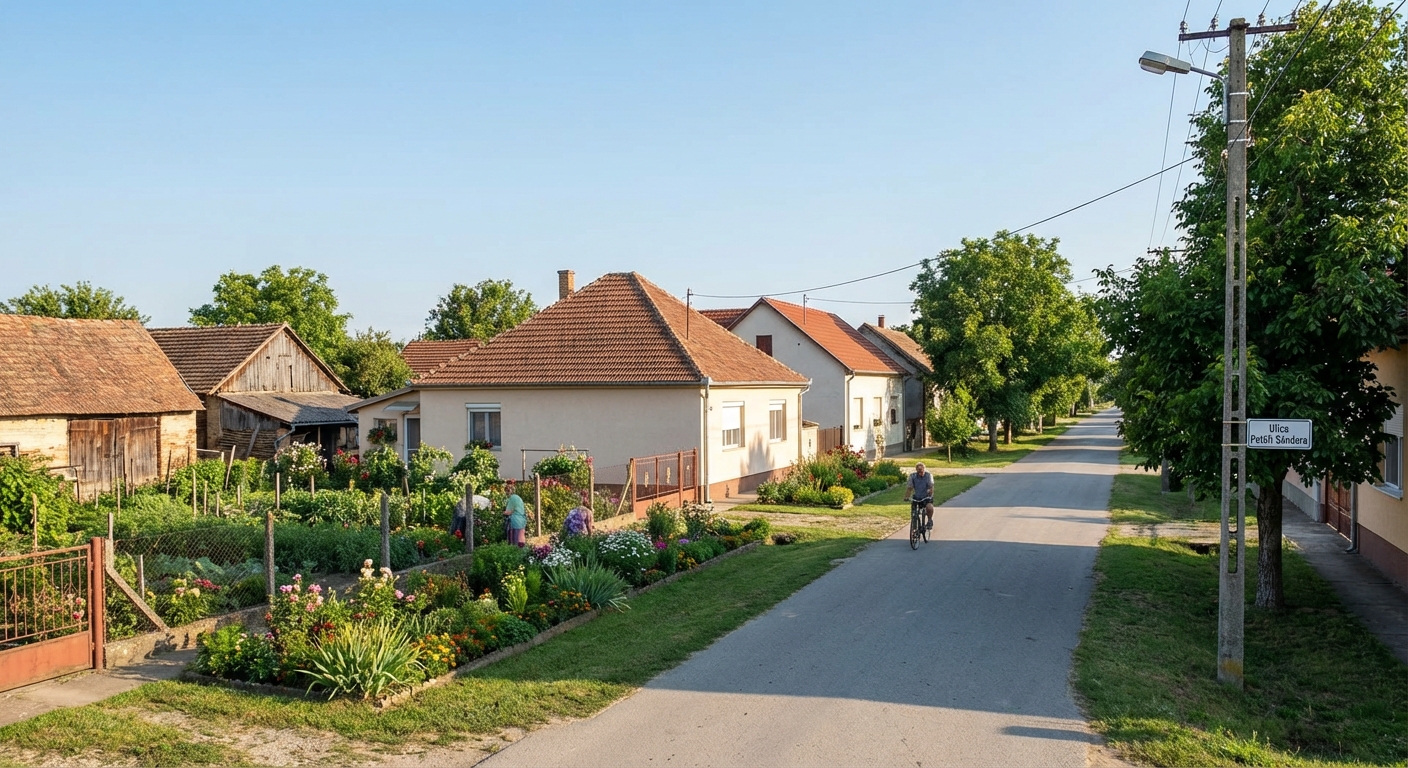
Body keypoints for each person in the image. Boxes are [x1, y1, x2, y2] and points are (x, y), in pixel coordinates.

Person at [903, 462, 935, 531]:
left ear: (924, 469)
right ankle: (914, 525)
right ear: (916, 470)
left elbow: (931, 486)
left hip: (926, 496)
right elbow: (909, 488)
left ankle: (929, 520)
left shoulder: (928, 475)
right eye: (918, 470)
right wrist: (906, 496)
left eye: (921, 470)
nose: (920, 472)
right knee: (914, 511)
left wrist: (930, 493)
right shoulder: (913, 476)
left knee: (929, 507)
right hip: (917, 496)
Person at [504, 480, 528, 547]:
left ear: (508, 491)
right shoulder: (518, 498)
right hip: (522, 521)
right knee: (521, 542)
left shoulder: (512, 498)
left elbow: (508, 512)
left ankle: (515, 551)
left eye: (506, 492)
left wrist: (502, 512)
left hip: (515, 522)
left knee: (514, 542)